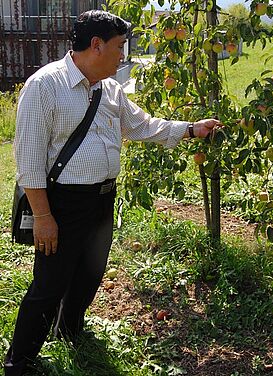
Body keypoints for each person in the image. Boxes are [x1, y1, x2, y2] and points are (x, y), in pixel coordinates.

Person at [4, 10, 220, 376]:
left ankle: (69, 331)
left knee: (90, 272)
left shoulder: (111, 88)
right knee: (49, 284)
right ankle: (19, 362)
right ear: (96, 44)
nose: (123, 54)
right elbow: (28, 161)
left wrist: (190, 130)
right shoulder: (45, 86)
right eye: (120, 46)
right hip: (62, 203)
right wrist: (43, 217)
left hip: (102, 200)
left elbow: (141, 126)